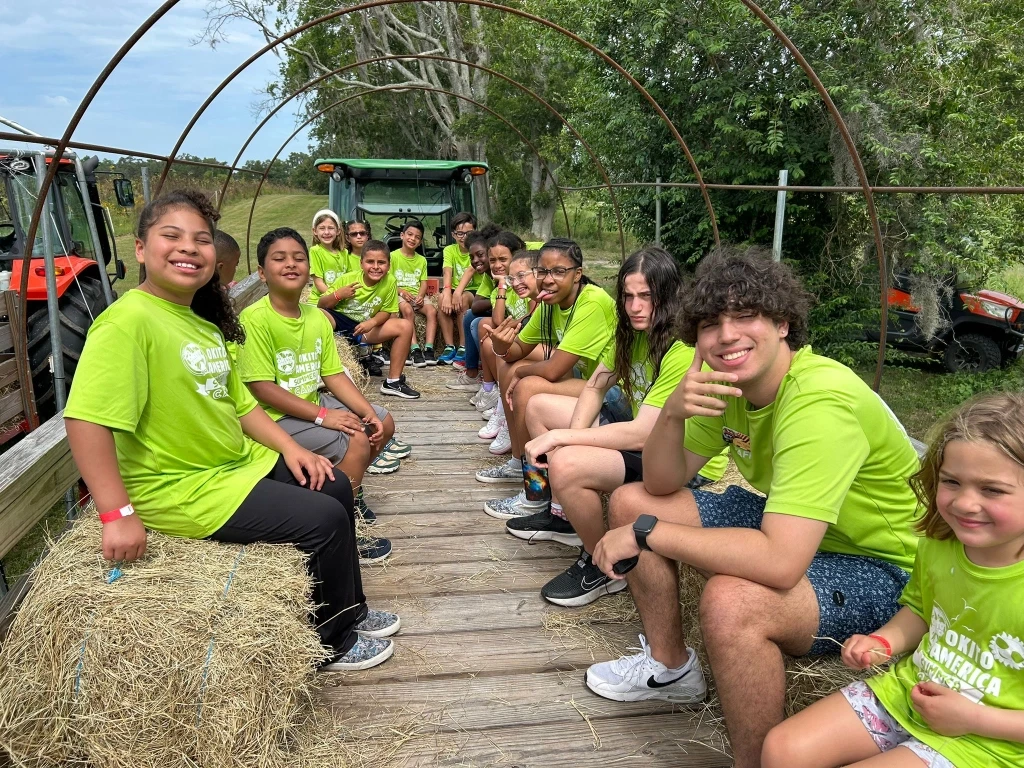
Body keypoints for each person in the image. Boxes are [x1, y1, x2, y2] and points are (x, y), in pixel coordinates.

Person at [584, 248, 921, 768]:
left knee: (732, 602)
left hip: (886, 570)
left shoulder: (819, 399)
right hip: (805, 535)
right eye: (710, 324)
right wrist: (671, 412)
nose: (727, 335)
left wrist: (646, 534)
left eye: (745, 316)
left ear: (783, 323)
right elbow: (659, 482)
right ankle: (671, 669)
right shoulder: (727, 387)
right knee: (632, 501)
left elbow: (780, 562)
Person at [62, 190, 398, 672]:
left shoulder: (199, 322)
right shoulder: (127, 322)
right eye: (172, 236)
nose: (188, 247)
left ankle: (350, 611)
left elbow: (240, 404)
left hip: (231, 467)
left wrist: (291, 449)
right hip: (181, 487)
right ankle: (333, 642)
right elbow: (86, 419)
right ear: (140, 249)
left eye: (201, 240)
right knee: (322, 520)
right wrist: (116, 513)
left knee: (335, 484)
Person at [763, 392, 1024, 768]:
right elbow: (922, 610)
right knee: (782, 749)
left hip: (992, 742)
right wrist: (884, 642)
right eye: (951, 482)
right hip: (910, 692)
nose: (964, 503)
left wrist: (973, 719)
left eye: (992, 489)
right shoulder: (939, 544)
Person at [512, 246, 728, 606]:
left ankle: (602, 562)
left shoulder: (682, 349)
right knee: (538, 406)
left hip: (680, 459)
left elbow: (643, 434)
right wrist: (573, 437)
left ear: (669, 296)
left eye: (646, 296)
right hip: (642, 436)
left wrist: (565, 441)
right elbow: (595, 386)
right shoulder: (632, 333)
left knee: (566, 464)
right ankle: (560, 514)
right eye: (628, 296)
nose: (635, 306)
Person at [238, 226, 408, 560]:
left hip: (310, 403)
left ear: (308, 268)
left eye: (298, 258)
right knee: (356, 439)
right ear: (262, 272)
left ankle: (348, 493)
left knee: (383, 423)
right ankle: (344, 530)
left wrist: (367, 411)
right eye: (279, 259)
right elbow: (261, 388)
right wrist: (323, 416)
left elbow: (332, 374)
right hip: (274, 416)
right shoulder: (255, 318)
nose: (291, 264)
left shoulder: (316, 317)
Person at [480, 238, 617, 519]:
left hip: (614, 393)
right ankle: (520, 463)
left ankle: (536, 492)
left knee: (526, 386)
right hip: (588, 384)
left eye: (559, 271)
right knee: (509, 367)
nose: (548, 279)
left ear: (577, 274)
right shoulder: (549, 302)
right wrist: (502, 346)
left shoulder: (592, 301)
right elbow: (517, 350)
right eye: (542, 271)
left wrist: (520, 371)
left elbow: (554, 370)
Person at [316, 239, 420, 399]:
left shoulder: (390, 281)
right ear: (361, 263)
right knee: (318, 316)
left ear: (389, 265)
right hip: (339, 320)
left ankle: (393, 382)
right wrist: (338, 295)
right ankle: (318, 373)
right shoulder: (348, 279)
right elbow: (321, 304)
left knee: (405, 326)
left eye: (381, 262)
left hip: (365, 327)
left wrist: (372, 322)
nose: (376, 267)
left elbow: (386, 311)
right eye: (370, 262)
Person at [474, 249, 542, 455]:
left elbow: (557, 359)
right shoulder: (543, 303)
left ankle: (505, 415)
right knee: (498, 350)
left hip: (586, 379)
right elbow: (500, 321)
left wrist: (517, 368)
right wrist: (502, 343)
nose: (516, 282)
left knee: (515, 372)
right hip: (548, 353)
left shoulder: (548, 301)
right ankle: (502, 412)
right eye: (513, 278)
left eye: (521, 275)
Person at [447, 230, 520, 391]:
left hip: (519, 322)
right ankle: (476, 373)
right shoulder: (491, 277)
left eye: (480, 255)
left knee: (478, 324)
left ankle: (489, 379)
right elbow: (476, 305)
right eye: (472, 257)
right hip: (506, 315)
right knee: (470, 316)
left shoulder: (520, 276)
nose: (476, 260)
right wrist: (497, 299)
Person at [469, 241, 536, 417]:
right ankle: (493, 390)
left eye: (503, 259)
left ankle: (502, 401)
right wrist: (502, 285)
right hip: (519, 331)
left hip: (530, 334)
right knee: (488, 336)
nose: (497, 265)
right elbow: (498, 320)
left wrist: (505, 329)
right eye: (493, 260)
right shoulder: (503, 288)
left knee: (495, 342)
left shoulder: (527, 286)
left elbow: (532, 316)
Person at [390, 220, 437, 367]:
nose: (412, 239)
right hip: (399, 294)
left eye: (417, 237)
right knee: (407, 311)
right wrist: (402, 292)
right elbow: (389, 282)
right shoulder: (392, 257)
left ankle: (429, 348)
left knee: (432, 311)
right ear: (402, 235)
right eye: (410, 234)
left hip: (417, 295)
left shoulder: (422, 260)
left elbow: (423, 282)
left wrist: (421, 296)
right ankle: (414, 348)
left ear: (420, 241)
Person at [438, 212, 478, 364]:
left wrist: (457, 293)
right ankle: (449, 346)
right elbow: (447, 270)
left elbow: (471, 270)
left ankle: (463, 345)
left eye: (469, 233)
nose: (464, 237)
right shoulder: (449, 250)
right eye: (460, 233)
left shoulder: (477, 248)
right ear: (453, 234)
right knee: (441, 298)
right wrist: (447, 291)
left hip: (474, 290)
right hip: (455, 288)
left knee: (462, 299)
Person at [306, 210, 351, 307]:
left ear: (338, 231)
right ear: (315, 231)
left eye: (330, 228)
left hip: (339, 301)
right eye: (322, 228)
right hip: (320, 301)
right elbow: (319, 283)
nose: (326, 232)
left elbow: (349, 277)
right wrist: (335, 297)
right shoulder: (315, 251)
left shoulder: (344, 252)